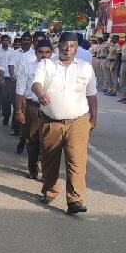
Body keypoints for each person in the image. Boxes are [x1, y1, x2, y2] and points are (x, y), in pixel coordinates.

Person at [32, 32, 98, 214]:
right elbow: (36, 83)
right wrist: (41, 94)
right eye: (65, 45)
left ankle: (75, 200)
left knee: (76, 161)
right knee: (49, 160)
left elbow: (91, 95)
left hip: (78, 121)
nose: (68, 49)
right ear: (58, 46)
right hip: (51, 121)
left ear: (77, 48)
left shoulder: (85, 68)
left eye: (72, 46)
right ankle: (50, 190)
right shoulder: (47, 64)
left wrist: (94, 118)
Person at [15, 39, 52, 179]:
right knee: (32, 139)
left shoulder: (56, 68)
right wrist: (19, 111)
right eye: (41, 52)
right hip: (33, 107)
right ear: (35, 53)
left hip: (51, 108)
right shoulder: (28, 67)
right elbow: (20, 89)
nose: (44, 55)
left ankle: (47, 171)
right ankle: (33, 169)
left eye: (47, 52)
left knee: (49, 141)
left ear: (51, 53)